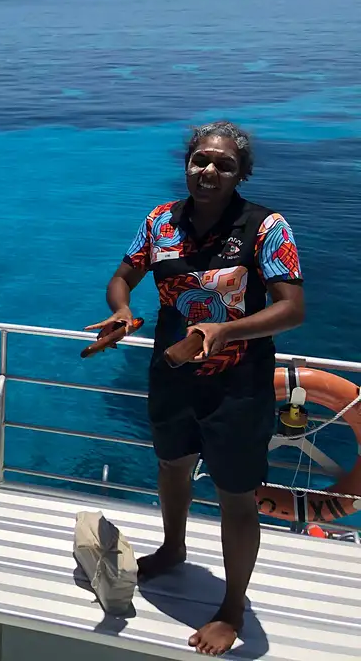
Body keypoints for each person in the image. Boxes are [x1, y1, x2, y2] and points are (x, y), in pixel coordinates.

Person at [89, 121, 304, 656]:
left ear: (241, 174)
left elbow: (292, 308)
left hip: (240, 383)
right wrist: (122, 312)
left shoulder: (266, 228)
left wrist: (224, 329)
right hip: (173, 372)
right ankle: (174, 548)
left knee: (235, 494)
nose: (209, 171)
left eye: (224, 164)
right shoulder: (160, 221)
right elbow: (123, 276)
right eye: (200, 161)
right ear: (187, 164)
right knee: (172, 463)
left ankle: (232, 606)